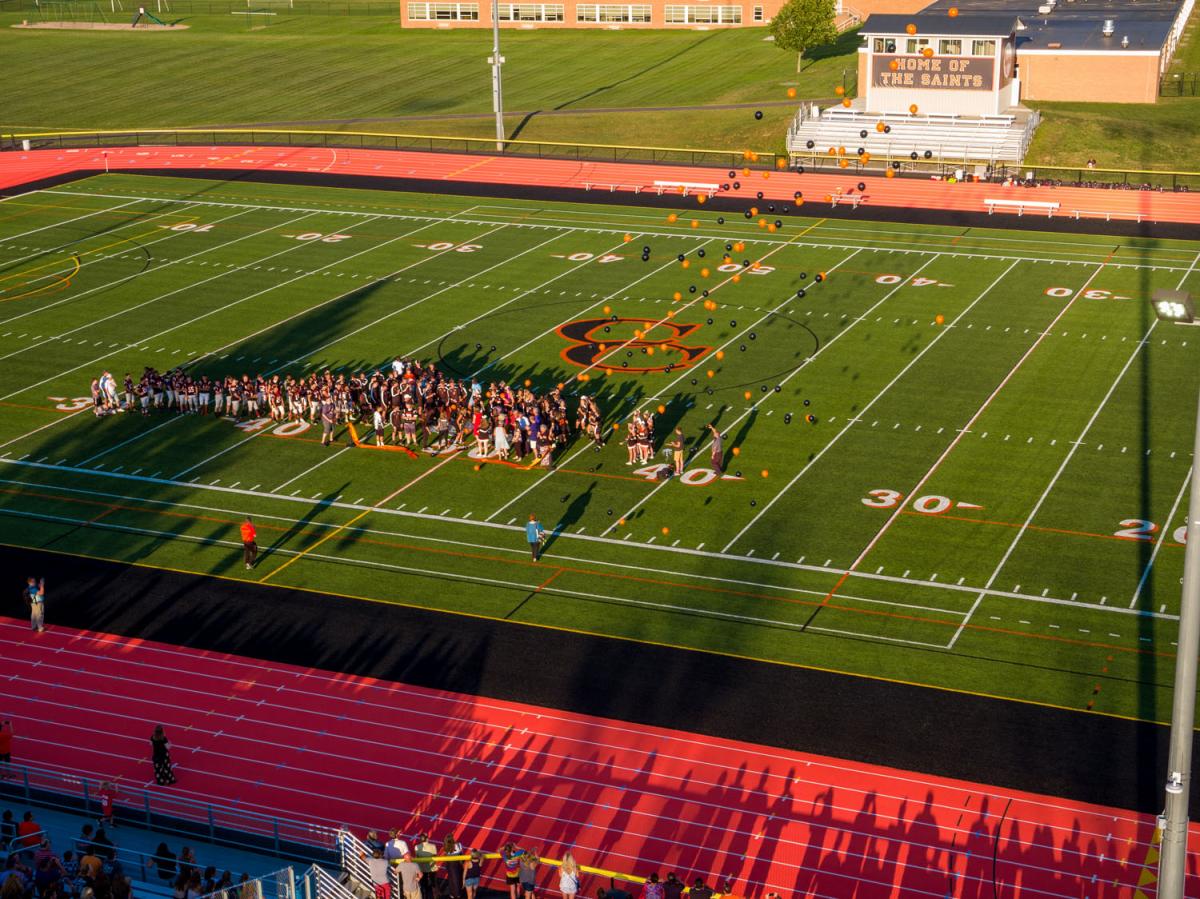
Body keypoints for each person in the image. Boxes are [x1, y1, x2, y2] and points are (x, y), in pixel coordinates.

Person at [440, 835, 464, 899]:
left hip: (449, 863)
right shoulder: (458, 845)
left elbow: (445, 854)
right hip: (457, 863)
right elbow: (462, 853)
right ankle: (458, 894)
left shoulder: (445, 846)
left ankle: (452, 894)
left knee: (451, 878)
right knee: (457, 878)